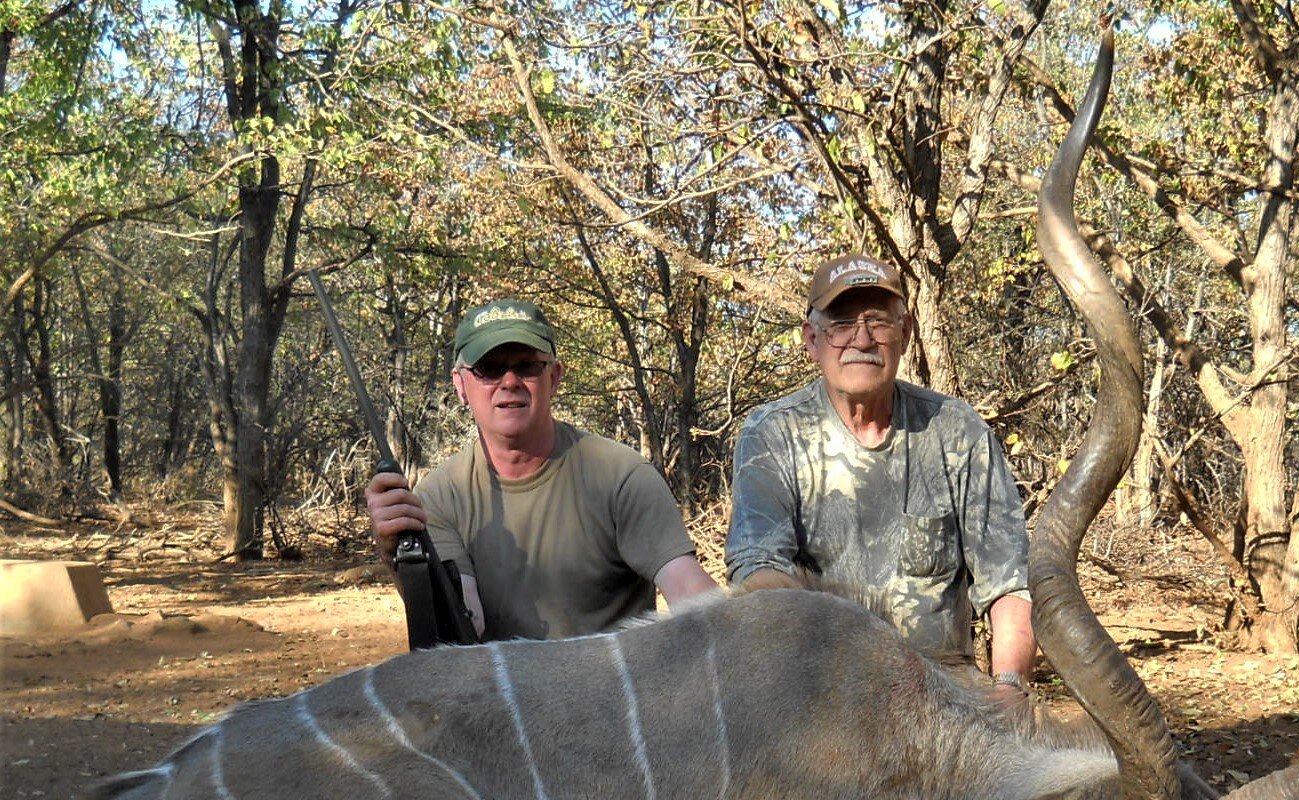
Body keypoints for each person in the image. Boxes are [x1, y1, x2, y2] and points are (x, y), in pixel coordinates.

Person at [724, 254, 1036, 689]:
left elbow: (1010, 585)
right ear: (812, 339)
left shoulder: (957, 431)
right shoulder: (773, 434)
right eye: (842, 324)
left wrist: (1009, 686)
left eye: (879, 322)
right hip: (825, 690)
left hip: (943, 691)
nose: (863, 339)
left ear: (905, 334)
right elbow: (758, 576)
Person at [366, 298, 718, 641]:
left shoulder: (622, 476)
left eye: (526, 366)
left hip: (614, 692)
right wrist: (399, 552)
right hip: (504, 696)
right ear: (460, 385)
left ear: (554, 377)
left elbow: (691, 593)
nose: (509, 382)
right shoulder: (439, 497)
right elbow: (461, 626)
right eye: (488, 369)